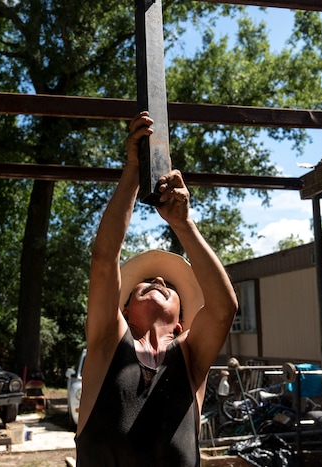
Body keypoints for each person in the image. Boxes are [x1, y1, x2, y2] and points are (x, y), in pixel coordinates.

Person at [75, 112, 239, 466]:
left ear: (181, 322)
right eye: (145, 284)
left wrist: (183, 225)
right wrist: (133, 172)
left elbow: (224, 308)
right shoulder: (107, 343)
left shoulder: (191, 357)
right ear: (124, 312)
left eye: (169, 284)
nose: (159, 281)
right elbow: (104, 260)